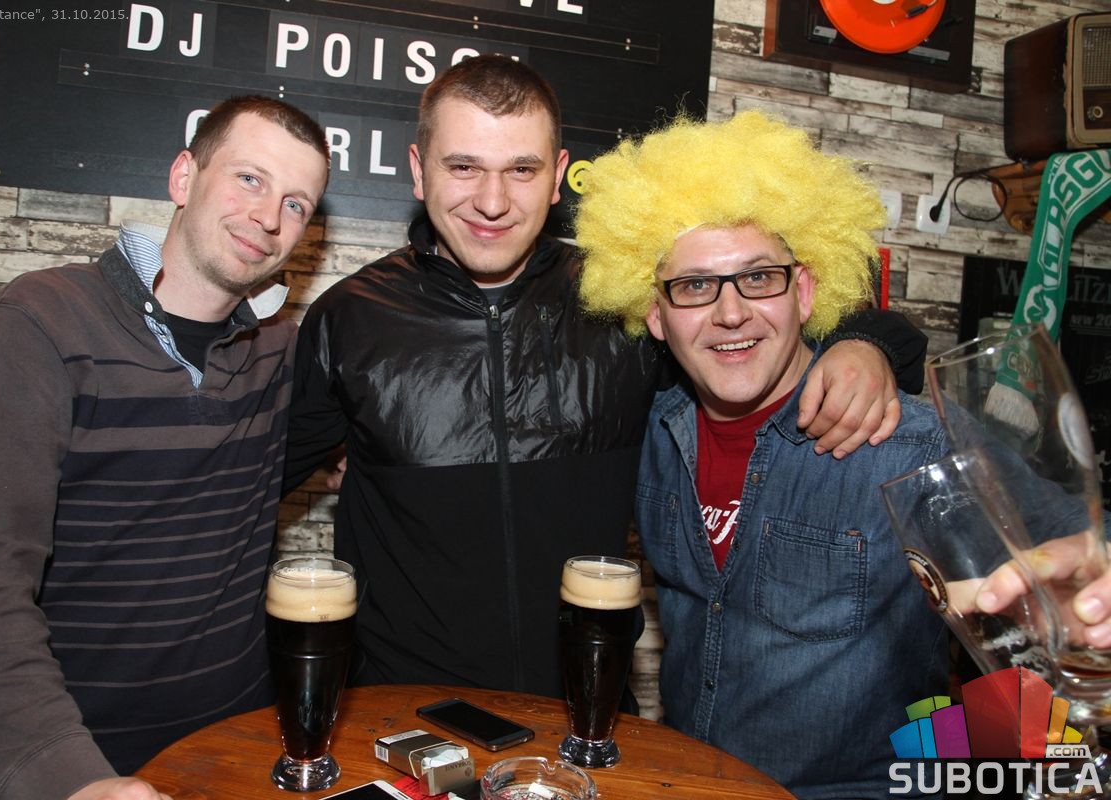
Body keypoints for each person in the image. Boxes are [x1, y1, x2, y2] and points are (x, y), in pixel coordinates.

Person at [283, 54, 928, 701]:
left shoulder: (619, 302)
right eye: (463, 167)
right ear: (419, 170)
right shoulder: (351, 318)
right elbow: (255, 478)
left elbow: (759, 319)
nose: (492, 201)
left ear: (558, 176)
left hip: (583, 713)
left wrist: (867, 343)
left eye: (522, 169)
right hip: (399, 713)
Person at [0, 96, 330, 800]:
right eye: (249, 179)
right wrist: (69, 778)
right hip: (80, 763)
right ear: (182, 177)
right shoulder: (40, 323)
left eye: (296, 203)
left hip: (239, 758)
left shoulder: (278, 352)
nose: (268, 217)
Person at [574, 111, 952, 798]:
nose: (730, 313)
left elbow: (1071, 575)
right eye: (694, 286)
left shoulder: (906, 444)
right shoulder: (654, 435)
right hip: (687, 782)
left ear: (803, 292)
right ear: (655, 314)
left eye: (758, 279)